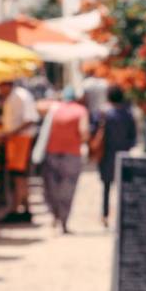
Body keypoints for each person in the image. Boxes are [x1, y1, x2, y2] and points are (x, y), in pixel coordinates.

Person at [31, 87, 90, 234]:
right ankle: (63, 221)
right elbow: (84, 133)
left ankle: (55, 216)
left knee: (51, 187)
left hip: (52, 154)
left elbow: (37, 106)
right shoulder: (81, 110)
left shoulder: (54, 108)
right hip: (72, 155)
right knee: (68, 189)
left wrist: (55, 100)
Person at [96, 85, 136, 228]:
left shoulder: (104, 113)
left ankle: (105, 215)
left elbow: (95, 131)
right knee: (123, 187)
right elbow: (133, 137)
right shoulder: (128, 114)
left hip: (106, 154)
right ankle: (122, 215)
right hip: (123, 154)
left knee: (106, 187)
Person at [0, 80, 39, 221]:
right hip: (17, 140)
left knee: (19, 177)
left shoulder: (20, 96)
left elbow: (30, 119)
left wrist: (10, 133)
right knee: (18, 177)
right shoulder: (14, 96)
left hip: (21, 140)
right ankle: (23, 208)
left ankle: (19, 209)